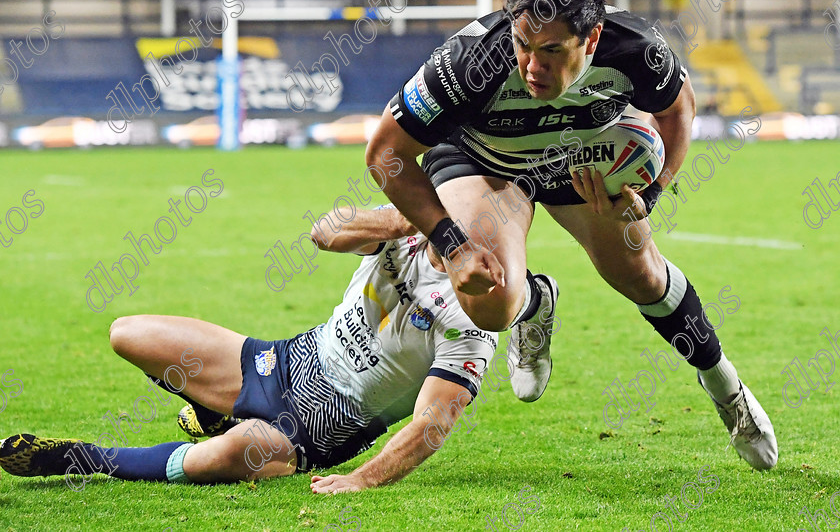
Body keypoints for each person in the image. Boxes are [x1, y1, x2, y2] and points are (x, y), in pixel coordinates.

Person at [364, 0, 777, 470]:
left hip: (577, 159)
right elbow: (384, 154)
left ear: (593, 38)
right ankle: (532, 302)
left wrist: (650, 195)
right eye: (522, 44)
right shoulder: (469, 62)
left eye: (553, 51)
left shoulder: (637, 50)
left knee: (641, 274)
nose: (533, 67)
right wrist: (454, 244)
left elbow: (678, 108)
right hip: (483, 161)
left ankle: (728, 390)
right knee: (490, 300)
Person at [0, 205, 500, 493]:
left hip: (315, 429)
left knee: (211, 460)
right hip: (284, 361)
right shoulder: (403, 233)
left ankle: (87, 459)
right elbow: (323, 233)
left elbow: (432, 423)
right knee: (128, 334)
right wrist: (395, 221)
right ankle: (212, 408)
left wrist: (363, 481)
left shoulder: (476, 319)